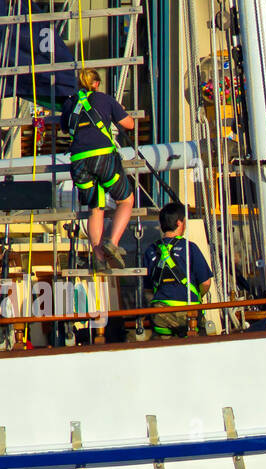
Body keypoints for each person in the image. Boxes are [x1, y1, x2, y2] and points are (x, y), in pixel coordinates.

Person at [62, 68, 136, 270]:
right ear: (96, 84)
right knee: (126, 200)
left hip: (78, 162)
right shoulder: (105, 99)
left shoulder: (69, 104)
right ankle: (112, 242)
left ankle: (99, 257)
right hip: (102, 157)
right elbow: (129, 124)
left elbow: (64, 127)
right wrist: (119, 109)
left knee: (96, 207)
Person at [142, 202, 213, 338]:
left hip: (160, 314)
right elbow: (206, 283)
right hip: (188, 312)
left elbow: (148, 290)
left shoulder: (150, 250)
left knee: (164, 351)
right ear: (180, 223)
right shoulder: (190, 248)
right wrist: (196, 296)